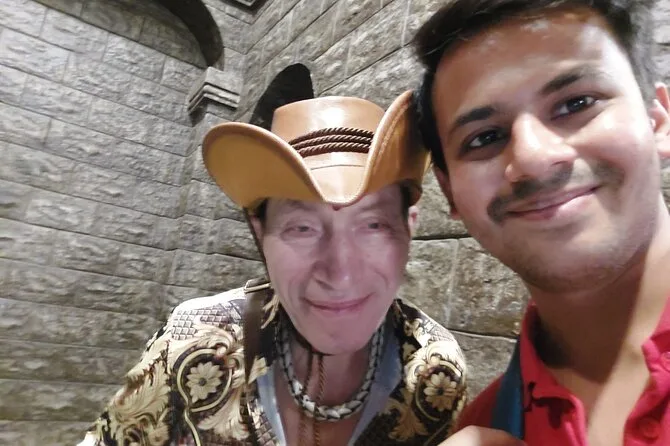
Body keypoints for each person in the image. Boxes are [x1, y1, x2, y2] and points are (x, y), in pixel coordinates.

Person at [78, 91, 467, 446]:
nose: (340, 274)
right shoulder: (192, 339)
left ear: (409, 228)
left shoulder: (437, 371)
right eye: (302, 228)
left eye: (374, 225)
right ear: (259, 231)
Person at [413, 0, 670, 445]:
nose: (533, 158)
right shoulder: (485, 421)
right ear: (449, 191)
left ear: (658, 121)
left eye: (576, 103)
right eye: (485, 137)